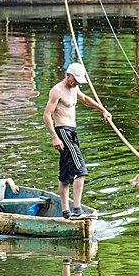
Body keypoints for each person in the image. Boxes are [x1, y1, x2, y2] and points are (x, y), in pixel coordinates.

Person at [43, 62, 111, 219]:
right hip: (63, 132)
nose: (77, 83)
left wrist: (103, 110)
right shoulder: (57, 90)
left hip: (72, 132)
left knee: (65, 176)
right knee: (81, 171)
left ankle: (66, 212)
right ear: (68, 75)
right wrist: (54, 137)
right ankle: (77, 210)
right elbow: (47, 115)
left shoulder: (75, 88)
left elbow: (85, 99)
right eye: (75, 80)